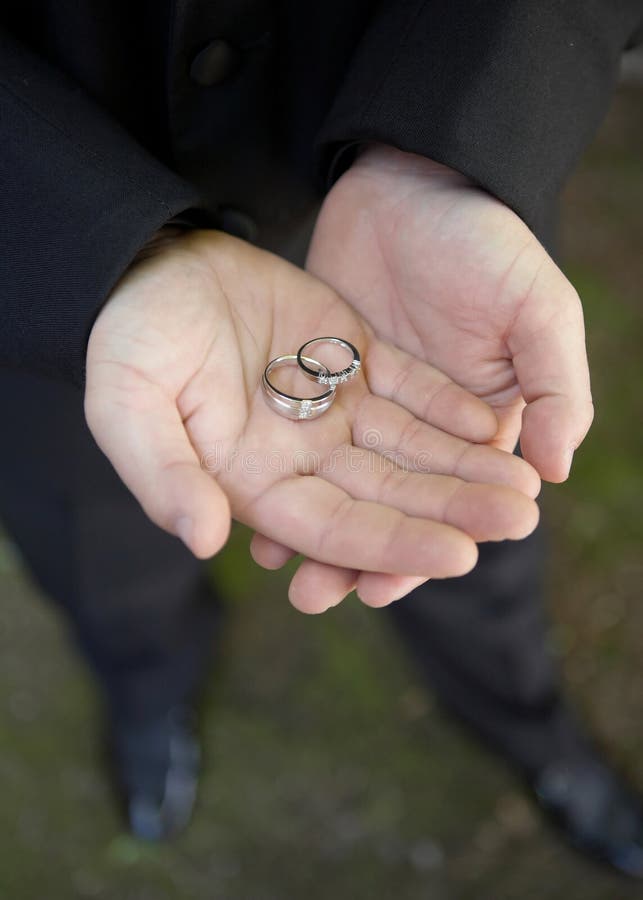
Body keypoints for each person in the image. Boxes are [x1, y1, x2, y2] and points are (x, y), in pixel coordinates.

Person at [0, 0, 641, 875]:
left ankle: (529, 726)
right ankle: (147, 699)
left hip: (404, 210)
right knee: (99, 557)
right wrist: (73, 242)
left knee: (474, 514)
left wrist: (451, 147)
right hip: (42, 285)